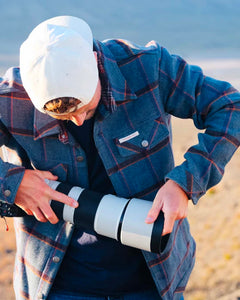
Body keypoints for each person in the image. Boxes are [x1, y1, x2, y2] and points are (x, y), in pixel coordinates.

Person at [0, 15, 239, 300]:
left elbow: (229, 106)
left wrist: (185, 184)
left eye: (85, 107)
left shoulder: (148, 67)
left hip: (153, 279)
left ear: (95, 63)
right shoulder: (11, 97)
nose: (77, 121)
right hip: (55, 284)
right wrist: (13, 183)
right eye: (61, 116)